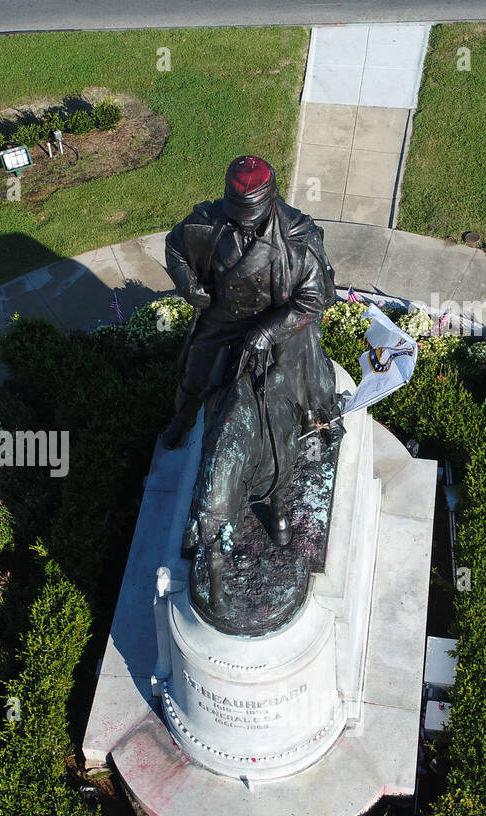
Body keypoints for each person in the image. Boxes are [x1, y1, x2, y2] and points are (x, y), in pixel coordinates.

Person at [161, 156, 344, 603]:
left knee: (303, 386)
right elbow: (175, 248)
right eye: (236, 213)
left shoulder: (298, 239)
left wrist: (267, 331)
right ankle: (183, 420)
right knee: (196, 372)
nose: (242, 223)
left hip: (279, 325)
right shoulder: (208, 223)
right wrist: (187, 283)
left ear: (270, 200)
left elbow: (315, 299)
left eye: (252, 215)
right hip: (225, 319)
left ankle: (319, 422)